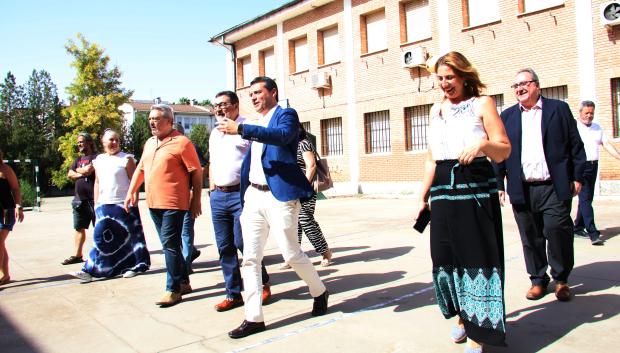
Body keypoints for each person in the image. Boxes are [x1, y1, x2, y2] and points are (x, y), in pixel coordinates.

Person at [217, 76, 329, 339]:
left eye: (258, 92)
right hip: (254, 197)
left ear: (273, 92)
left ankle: (320, 290)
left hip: (279, 198)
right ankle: (253, 317)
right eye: (250, 94)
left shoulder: (286, 115)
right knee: (251, 259)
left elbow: (282, 137)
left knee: (291, 254)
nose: (253, 97)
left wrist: (242, 130)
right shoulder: (254, 124)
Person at [415, 52, 511, 353]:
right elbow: (431, 158)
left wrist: (482, 144)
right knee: (445, 256)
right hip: (443, 188)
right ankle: (461, 315)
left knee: (475, 257)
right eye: (441, 78)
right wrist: (422, 196)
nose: (445, 84)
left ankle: (478, 330)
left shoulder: (482, 104)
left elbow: (504, 150)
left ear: (464, 76)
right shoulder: (435, 110)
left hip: (474, 187)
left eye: (450, 78)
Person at [494, 68, 586, 304]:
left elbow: (575, 146)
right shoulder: (507, 116)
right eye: (515, 86)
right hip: (521, 187)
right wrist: (499, 184)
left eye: (524, 83)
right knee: (530, 236)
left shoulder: (558, 109)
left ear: (537, 85)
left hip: (554, 186)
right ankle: (537, 280)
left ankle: (562, 279)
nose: (519, 89)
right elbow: (500, 153)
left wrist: (578, 177)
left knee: (558, 231)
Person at [124, 104, 202, 307]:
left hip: (174, 203)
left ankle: (173, 289)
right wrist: (131, 191)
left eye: (157, 118)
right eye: (150, 118)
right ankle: (183, 281)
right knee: (171, 246)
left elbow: (196, 173)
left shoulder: (182, 143)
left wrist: (196, 200)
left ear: (169, 121)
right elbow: (140, 168)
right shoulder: (150, 143)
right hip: (153, 202)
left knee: (169, 245)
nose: (152, 122)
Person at [209, 90, 271, 312]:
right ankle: (232, 293)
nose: (219, 109)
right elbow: (213, 163)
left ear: (235, 106)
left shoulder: (247, 128)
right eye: (216, 105)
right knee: (225, 247)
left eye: (224, 104)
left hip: (241, 195)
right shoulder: (214, 132)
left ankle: (263, 283)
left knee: (244, 243)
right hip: (218, 196)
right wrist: (212, 188)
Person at [68, 129, 150, 282]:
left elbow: (135, 181)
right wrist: (97, 203)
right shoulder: (99, 160)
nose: (114, 143)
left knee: (129, 238)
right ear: (103, 142)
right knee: (100, 237)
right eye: (111, 140)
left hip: (123, 204)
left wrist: (134, 200)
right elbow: (97, 182)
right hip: (104, 205)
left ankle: (134, 265)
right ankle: (90, 269)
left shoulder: (126, 159)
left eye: (116, 140)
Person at [281, 125, 332, 269]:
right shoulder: (289, 145)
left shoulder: (303, 143)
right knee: (292, 223)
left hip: (305, 189)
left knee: (305, 220)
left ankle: (325, 252)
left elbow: (311, 165)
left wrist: (303, 186)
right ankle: (293, 257)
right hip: (292, 189)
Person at [574, 100, 620, 245]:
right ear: (580, 112)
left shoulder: (596, 128)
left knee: (586, 198)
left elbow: (606, 144)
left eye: (591, 113)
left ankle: (578, 227)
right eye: (586, 112)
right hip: (580, 167)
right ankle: (593, 233)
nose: (589, 115)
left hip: (593, 166)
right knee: (586, 199)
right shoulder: (574, 127)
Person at [173, 122, 204, 273]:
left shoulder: (191, 147)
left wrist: (195, 195)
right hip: (171, 198)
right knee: (175, 232)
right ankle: (191, 252)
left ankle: (185, 264)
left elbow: (201, 170)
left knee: (186, 230)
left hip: (187, 195)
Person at [63, 133, 97, 265]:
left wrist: (78, 171)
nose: (79, 145)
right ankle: (77, 255)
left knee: (98, 227)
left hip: (93, 199)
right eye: (78, 143)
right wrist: (79, 172)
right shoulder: (77, 159)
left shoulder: (96, 157)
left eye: (81, 142)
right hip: (79, 200)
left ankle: (100, 253)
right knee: (79, 228)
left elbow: (89, 170)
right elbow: (69, 174)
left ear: (89, 142)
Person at [0, 149, 25, 285]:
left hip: (7, 211)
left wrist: (18, 206)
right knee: (0, 244)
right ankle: (5, 275)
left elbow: (15, 188)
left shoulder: (5, 169)